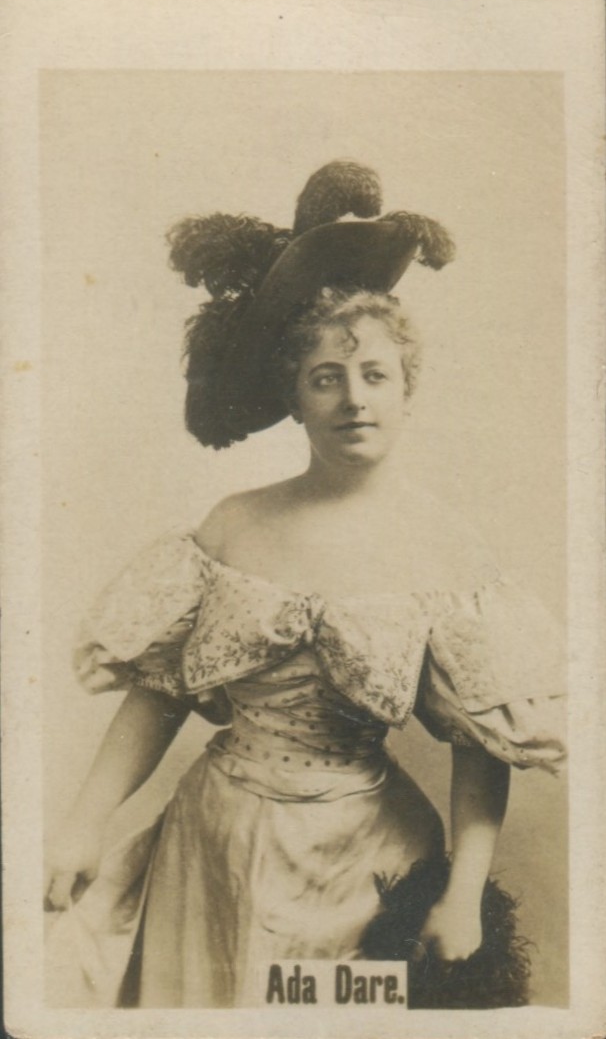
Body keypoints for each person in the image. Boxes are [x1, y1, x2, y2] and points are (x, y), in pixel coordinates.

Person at [44, 161, 566, 1010]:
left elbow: (481, 746)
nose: (353, 399)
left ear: (407, 389)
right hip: (210, 841)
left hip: (361, 862)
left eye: (374, 375)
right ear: (295, 396)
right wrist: (83, 823)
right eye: (327, 378)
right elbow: (157, 694)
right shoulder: (232, 526)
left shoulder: (449, 554)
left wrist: (464, 893)